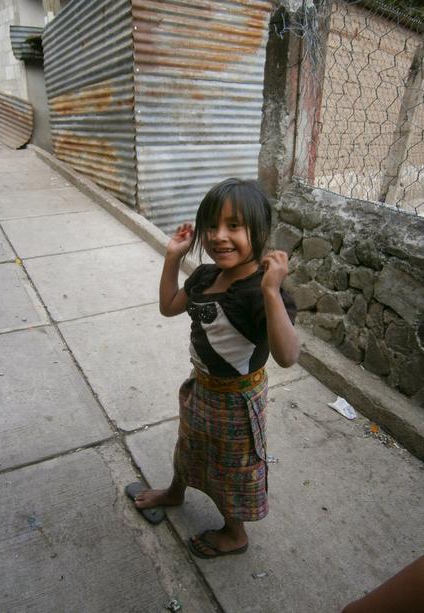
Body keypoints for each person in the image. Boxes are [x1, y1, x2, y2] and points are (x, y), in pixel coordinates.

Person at [130, 178, 300, 558]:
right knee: (189, 444)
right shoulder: (206, 276)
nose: (219, 236)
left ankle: (235, 532)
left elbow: (288, 356)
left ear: (261, 231)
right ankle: (176, 492)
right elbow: (170, 306)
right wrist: (173, 256)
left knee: (232, 469)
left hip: (238, 402)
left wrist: (272, 291)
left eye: (234, 226)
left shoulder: (261, 294)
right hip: (202, 386)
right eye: (211, 226)